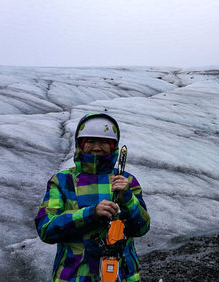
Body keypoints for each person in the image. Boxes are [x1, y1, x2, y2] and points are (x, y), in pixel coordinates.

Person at [35, 113, 150, 281]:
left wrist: (127, 198)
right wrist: (90, 214)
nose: (97, 147)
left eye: (104, 142)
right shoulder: (61, 181)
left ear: (113, 146)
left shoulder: (127, 181)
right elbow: (46, 229)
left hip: (122, 276)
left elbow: (141, 227)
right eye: (90, 141)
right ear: (80, 144)